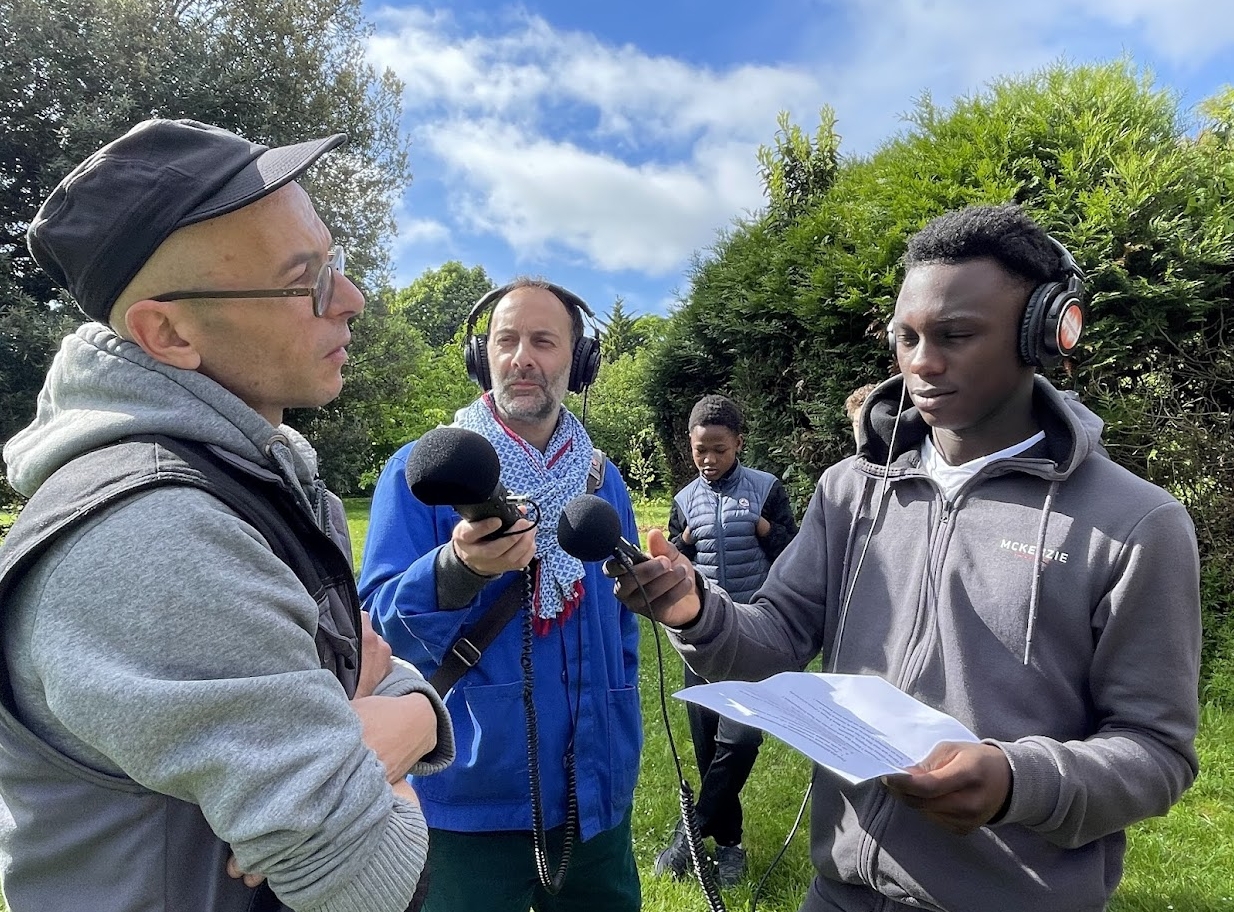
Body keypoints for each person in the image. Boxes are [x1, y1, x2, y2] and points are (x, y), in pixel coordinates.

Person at [608, 203, 1201, 912]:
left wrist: (1017, 782)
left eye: (955, 335)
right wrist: (694, 609)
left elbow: (1156, 752)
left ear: (1046, 333)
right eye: (908, 336)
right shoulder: (849, 490)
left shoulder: (1137, 524)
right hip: (838, 891)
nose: (922, 361)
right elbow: (774, 638)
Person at [0, 118, 455, 912]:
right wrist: (401, 728)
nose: (351, 300)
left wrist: (407, 715)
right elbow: (369, 880)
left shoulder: (258, 479)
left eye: (335, 263)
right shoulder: (153, 534)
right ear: (167, 332)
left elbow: (374, 663)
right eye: (303, 280)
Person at [359, 279, 643, 912]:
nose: (523, 357)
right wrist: (458, 567)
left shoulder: (604, 478)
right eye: (507, 340)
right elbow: (372, 639)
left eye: (544, 341)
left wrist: (620, 723)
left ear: (580, 359)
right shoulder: (423, 475)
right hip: (467, 798)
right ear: (481, 356)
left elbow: (621, 625)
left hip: (597, 792)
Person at [656, 393, 798, 886]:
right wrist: (679, 545)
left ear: (739, 443)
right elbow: (671, 567)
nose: (710, 460)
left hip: (753, 634)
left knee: (739, 743)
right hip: (698, 637)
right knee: (706, 746)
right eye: (701, 451)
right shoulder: (682, 501)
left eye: (719, 448)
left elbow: (795, 554)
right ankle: (729, 846)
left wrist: (766, 530)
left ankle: (687, 835)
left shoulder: (766, 490)